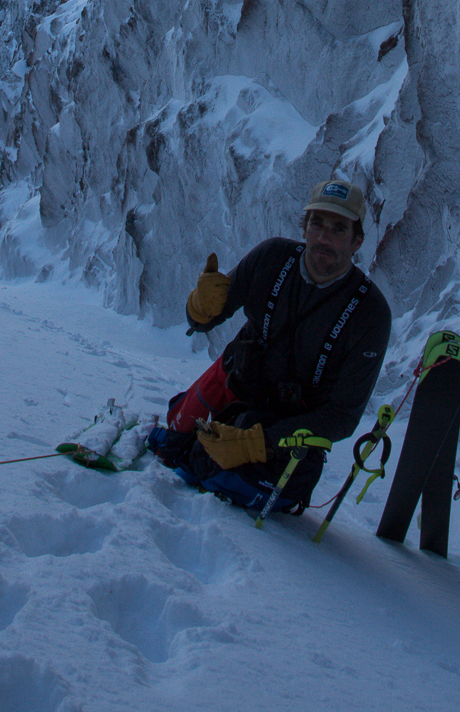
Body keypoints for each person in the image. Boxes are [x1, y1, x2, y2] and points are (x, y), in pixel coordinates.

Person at [148, 177, 391, 515]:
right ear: (303, 227)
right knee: (170, 447)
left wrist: (261, 443)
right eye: (317, 223)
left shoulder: (370, 315)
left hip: (288, 429)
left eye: (338, 229)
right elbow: (203, 320)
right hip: (232, 383)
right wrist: (198, 306)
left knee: (218, 476)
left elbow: (341, 417)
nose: (323, 237)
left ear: (357, 241)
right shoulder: (273, 257)